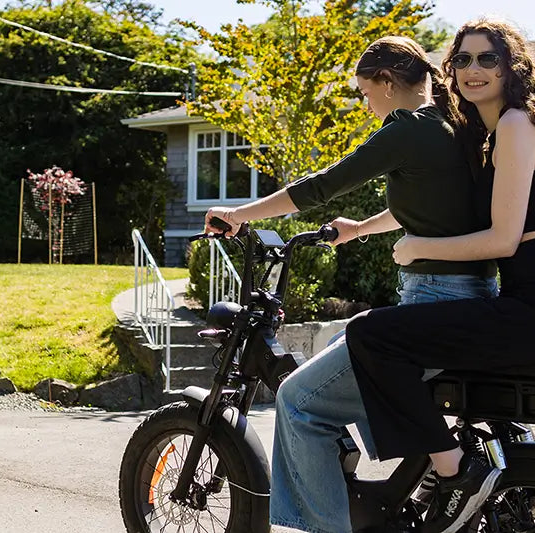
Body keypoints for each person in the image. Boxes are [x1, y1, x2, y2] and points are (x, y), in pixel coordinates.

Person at [202, 36, 499, 533]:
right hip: (470, 298)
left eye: (365, 92)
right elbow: (428, 206)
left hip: (432, 299)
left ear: (387, 82)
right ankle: (403, 481)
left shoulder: (408, 128)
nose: (366, 104)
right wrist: (360, 228)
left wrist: (238, 214)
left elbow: (322, 186)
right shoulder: (453, 123)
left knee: (297, 400)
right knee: (339, 346)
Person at [345, 18, 535, 533]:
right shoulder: (491, 133)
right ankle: (504, 480)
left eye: (488, 58)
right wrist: (360, 229)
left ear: (512, 67)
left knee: (371, 335)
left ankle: (453, 472)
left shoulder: (515, 124)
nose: (473, 69)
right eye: (462, 59)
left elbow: (502, 240)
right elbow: (445, 207)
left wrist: (418, 248)